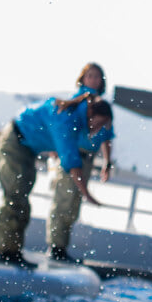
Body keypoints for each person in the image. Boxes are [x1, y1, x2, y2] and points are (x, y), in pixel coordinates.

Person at [0, 96, 113, 269]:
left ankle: (12, 252)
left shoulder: (76, 118)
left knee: (21, 197)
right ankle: (3, 252)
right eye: (98, 123)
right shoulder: (66, 119)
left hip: (26, 148)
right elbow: (71, 161)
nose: (97, 129)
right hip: (14, 143)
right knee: (15, 197)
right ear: (91, 113)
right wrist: (87, 194)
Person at [47, 63, 115, 263]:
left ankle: (62, 247)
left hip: (88, 159)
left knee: (74, 203)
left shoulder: (103, 106)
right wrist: (55, 146)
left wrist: (107, 162)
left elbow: (107, 136)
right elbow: (61, 124)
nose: (93, 80)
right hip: (71, 154)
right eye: (90, 76)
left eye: (97, 76)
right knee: (64, 199)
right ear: (83, 78)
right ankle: (55, 246)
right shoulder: (77, 101)